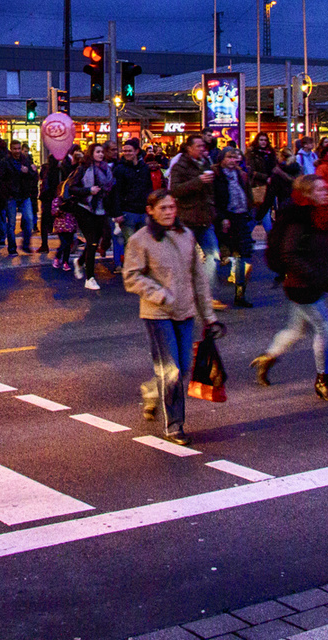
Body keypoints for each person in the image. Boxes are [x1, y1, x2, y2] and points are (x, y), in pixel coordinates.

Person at [122, 189, 219, 447]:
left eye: (171, 208)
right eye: (162, 208)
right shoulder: (141, 240)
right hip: (157, 313)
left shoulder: (186, 235)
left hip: (185, 312)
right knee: (171, 370)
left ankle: (152, 391)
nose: (168, 212)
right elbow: (131, 277)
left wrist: (209, 316)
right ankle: (174, 426)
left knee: (183, 367)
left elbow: (199, 278)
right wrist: (159, 294)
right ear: (150, 210)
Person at [252, 174, 328, 402]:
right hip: (301, 285)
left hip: (311, 281)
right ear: (307, 195)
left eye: (325, 189)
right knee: (325, 328)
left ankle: (267, 358)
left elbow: (322, 248)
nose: (326, 193)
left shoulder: (324, 214)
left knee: (297, 330)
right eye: (320, 190)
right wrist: (313, 275)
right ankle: (323, 380)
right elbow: (288, 254)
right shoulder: (299, 219)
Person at [169, 134, 221, 293]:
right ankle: (183, 293)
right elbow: (175, 190)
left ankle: (206, 294)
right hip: (187, 218)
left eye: (203, 146)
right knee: (184, 260)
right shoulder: (180, 166)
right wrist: (198, 181)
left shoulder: (205, 163)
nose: (202, 149)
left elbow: (211, 192)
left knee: (213, 256)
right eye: (198, 146)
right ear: (189, 148)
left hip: (205, 218)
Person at [63, 142, 115, 289]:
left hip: (100, 208)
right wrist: (88, 190)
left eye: (102, 152)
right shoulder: (84, 168)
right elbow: (72, 187)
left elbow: (110, 189)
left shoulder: (107, 169)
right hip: (84, 207)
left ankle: (79, 262)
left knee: (96, 239)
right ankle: (90, 278)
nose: (101, 154)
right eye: (97, 152)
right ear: (91, 153)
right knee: (92, 241)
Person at [214, 147, 255, 307]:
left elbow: (247, 194)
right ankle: (211, 295)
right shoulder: (216, 175)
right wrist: (222, 217)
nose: (233, 160)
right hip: (224, 218)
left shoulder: (240, 174)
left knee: (242, 256)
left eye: (236, 157)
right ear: (222, 158)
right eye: (230, 157)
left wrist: (250, 211)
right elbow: (214, 199)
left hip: (240, 217)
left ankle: (240, 293)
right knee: (215, 256)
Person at [112, 139, 150, 270]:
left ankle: (137, 267)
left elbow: (148, 188)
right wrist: (117, 213)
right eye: (125, 150)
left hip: (142, 210)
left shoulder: (144, 168)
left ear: (136, 151)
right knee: (131, 242)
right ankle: (133, 268)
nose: (126, 153)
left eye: (129, 151)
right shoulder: (120, 169)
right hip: (127, 211)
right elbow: (116, 192)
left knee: (143, 241)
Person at [3, 141, 39, 255]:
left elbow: (34, 176)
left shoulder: (26, 160)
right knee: (11, 223)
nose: (17, 151)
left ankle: (26, 244)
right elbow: (1, 178)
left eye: (19, 149)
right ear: (11, 149)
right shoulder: (6, 162)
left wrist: (28, 171)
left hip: (24, 194)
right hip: (12, 195)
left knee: (29, 219)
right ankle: (12, 248)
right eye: (15, 149)